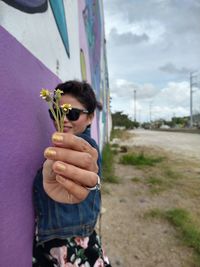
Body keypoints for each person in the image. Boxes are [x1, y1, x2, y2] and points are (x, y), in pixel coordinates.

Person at [33, 80, 111, 267]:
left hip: (70, 242)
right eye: (57, 113)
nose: (64, 119)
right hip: (54, 239)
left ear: (90, 118)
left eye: (73, 113)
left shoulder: (86, 148)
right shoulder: (60, 145)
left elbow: (87, 162)